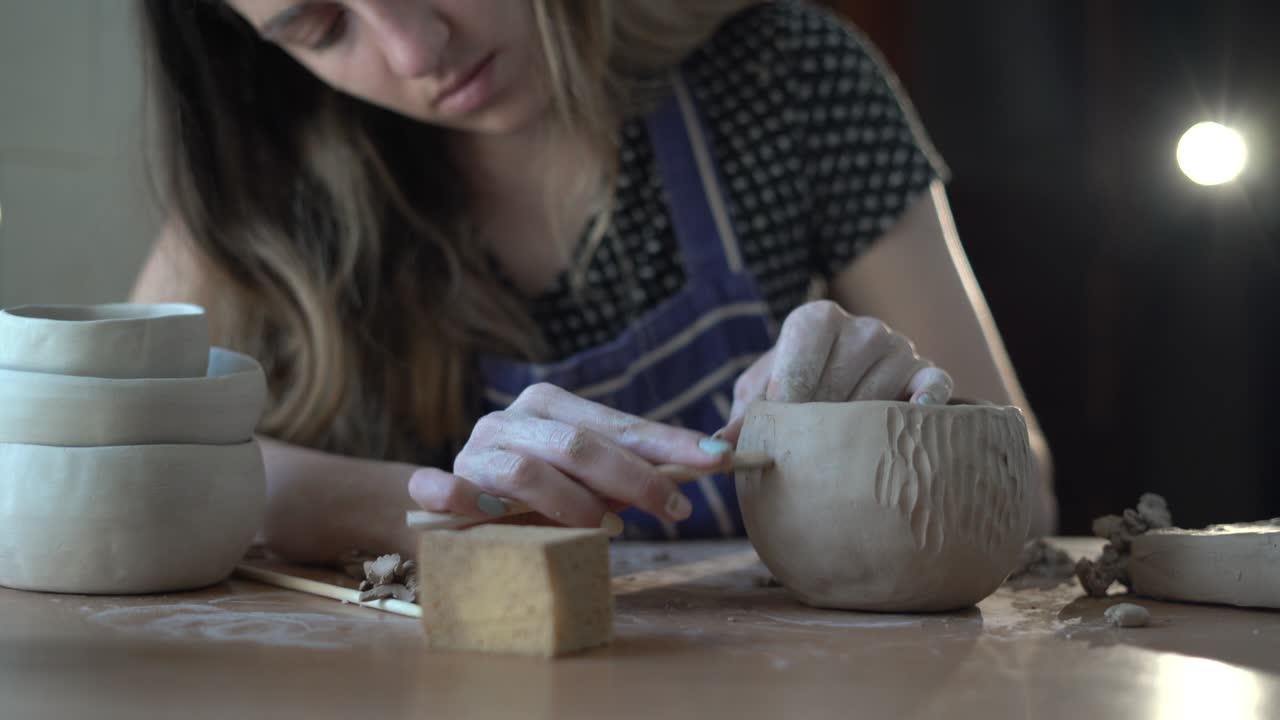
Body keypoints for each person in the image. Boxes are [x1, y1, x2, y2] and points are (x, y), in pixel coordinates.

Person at [131, 0, 1056, 563]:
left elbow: (1029, 497)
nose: (418, 51)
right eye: (323, 27)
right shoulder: (257, 184)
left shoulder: (788, 79)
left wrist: (891, 425)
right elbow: (120, 456)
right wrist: (435, 502)